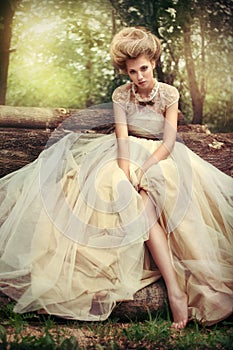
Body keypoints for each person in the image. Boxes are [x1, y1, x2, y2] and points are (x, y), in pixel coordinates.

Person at [0, 27, 232, 330]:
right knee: (119, 191)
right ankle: (173, 289)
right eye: (133, 71)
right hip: (123, 154)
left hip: (161, 155)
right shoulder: (121, 95)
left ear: (154, 63)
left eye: (144, 68)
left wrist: (145, 168)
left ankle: (176, 291)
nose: (139, 77)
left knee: (153, 191)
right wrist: (126, 172)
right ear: (126, 71)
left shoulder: (169, 94)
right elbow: (122, 139)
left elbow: (170, 141)